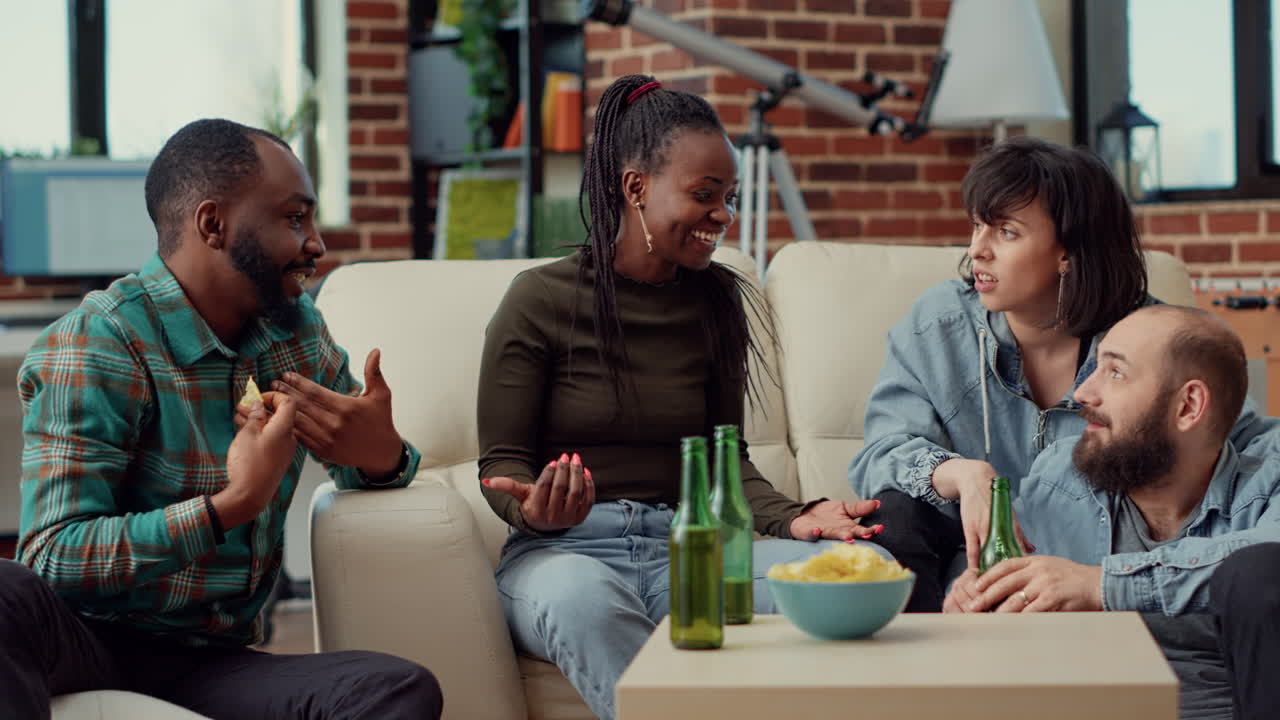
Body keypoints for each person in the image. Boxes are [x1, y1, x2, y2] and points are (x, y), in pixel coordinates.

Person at [0, 119, 443, 719]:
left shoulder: (295, 331)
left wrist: (382, 454)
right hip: (89, 641)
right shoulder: (102, 340)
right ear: (213, 224)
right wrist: (231, 505)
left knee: (397, 689)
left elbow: (369, 462)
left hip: (212, 662)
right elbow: (53, 557)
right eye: (294, 218)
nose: (316, 243)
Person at [477, 74, 888, 720]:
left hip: (687, 548)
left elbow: (730, 462)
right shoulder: (540, 301)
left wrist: (796, 518)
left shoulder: (716, 302)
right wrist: (537, 513)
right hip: (564, 555)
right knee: (583, 601)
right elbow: (502, 468)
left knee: (864, 568)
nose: (724, 215)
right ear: (636, 187)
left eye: (730, 197)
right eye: (705, 195)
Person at [848, 137, 1278, 611]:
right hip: (960, 547)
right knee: (897, 512)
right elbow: (879, 455)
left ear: (1068, 252)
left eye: (1006, 232)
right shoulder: (938, 325)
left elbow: (1225, 433)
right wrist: (965, 476)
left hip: (1089, 557)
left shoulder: (1143, 339)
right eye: (976, 226)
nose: (977, 250)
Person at [944, 305, 1280, 720]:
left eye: (1115, 373)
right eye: (1095, 368)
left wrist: (1101, 585)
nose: (1082, 393)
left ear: (1189, 406)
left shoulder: (1268, 481)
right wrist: (965, 597)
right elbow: (990, 569)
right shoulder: (1063, 472)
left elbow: (1265, 564)